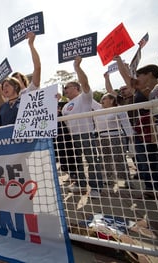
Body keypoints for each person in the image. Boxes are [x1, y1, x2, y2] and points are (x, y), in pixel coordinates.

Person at [115, 56, 158, 196]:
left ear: (149, 74)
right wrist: (118, 60)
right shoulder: (138, 88)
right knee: (144, 160)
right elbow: (126, 76)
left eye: (139, 75)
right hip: (141, 131)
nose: (137, 78)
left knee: (156, 160)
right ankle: (151, 189)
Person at [61, 56, 103, 198]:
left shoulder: (85, 97)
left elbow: (85, 83)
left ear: (76, 88)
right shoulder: (65, 106)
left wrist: (77, 67)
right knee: (77, 161)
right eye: (64, 88)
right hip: (73, 137)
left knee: (92, 161)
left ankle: (96, 187)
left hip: (86, 135)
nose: (65, 90)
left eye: (67, 87)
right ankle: (80, 184)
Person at [0, 31, 41, 99]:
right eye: (11, 81)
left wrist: (31, 44)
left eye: (16, 77)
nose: (14, 80)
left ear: (23, 80)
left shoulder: (31, 89)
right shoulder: (10, 97)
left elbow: (37, 68)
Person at [94, 93, 135, 188]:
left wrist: (131, 137)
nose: (102, 100)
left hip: (116, 136)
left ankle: (126, 180)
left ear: (112, 100)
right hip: (101, 137)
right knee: (105, 159)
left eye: (104, 98)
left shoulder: (119, 109)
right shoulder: (98, 109)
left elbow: (126, 123)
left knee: (119, 159)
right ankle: (108, 179)